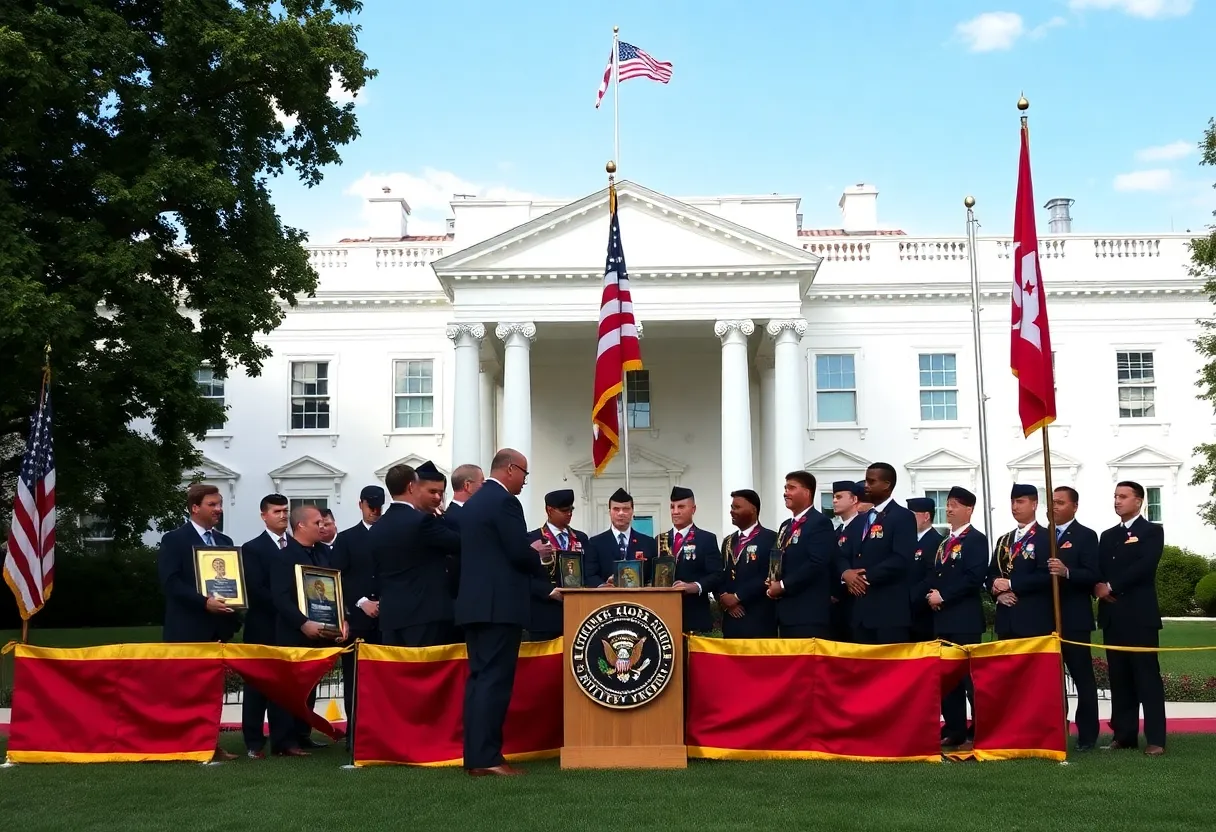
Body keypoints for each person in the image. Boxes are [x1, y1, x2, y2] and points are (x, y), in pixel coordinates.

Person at [455, 448, 553, 776]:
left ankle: (477, 757)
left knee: (479, 680)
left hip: (474, 605)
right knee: (494, 683)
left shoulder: (472, 505)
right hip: (500, 607)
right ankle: (488, 759)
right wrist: (536, 552)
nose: (525, 481)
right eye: (524, 473)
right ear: (510, 469)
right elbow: (516, 553)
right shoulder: (505, 502)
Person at [157, 483, 242, 762]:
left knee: (211, 692)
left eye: (219, 504)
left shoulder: (225, 543)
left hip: (217, 630)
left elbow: (232, 585)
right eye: (212, 505)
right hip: (186, 630)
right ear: (195, 508)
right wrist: (203, 602)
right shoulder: (174, 540)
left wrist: (234, 608)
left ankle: (210, 744)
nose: (219, 509)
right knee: (184, 692)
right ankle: (182, 745)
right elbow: (170, 583)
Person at [267, 504, 347, 757]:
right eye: (317, 523)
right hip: (294, 633)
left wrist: (341, 620)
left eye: (323, 523)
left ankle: (303, 734)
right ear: (301, 525)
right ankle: (284, 742)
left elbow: (334, 590)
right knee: (289, 689)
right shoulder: (283, 556)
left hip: (320, 631)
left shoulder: (323, 554)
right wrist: (303, 622)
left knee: (310, 686)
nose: (322, 527)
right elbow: (279, 598)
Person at [1096, 481, 1166, 756]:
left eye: (1123, 497)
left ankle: (1156, 739)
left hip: (1140, 616)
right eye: (1115, 496)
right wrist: (1097, 587)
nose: (1117, 501)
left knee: (1146, 677)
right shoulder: (1108, 534)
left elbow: (1144, 567)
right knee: (1119, 677)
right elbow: (1099, 568)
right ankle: (1124, 735)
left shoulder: (1151, 532)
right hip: (1113, 616)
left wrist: (1111, 586)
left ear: (1139, 501)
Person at [917, 486, 987, 749]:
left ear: (969, 509)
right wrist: (931, 593)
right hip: (942, 619)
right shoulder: (944, 542)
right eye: (947, 504)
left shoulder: (976, 539)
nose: (948, 509)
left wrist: (943, 595)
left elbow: (973, 577)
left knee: (970, 680)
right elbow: (935, 574)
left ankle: (978, 730)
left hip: (964, 619)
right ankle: (954, 728)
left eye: (955, 505)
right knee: (947, 679)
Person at [371, 464, 462, 647]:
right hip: (424, 614)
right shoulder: (421, 521)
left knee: (398, 672)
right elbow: (457, 543)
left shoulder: (377, 527)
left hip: (391, 616)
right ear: (412, 486)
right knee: (425, 672)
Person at [1046, 485, 1102, 751]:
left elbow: (1093, 575)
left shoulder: (1086, 536)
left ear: (1074, 506)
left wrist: (1067, 572)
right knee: (1049, 680)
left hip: (1075, 618)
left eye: (1059, 502)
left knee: (1082, 677)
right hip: (1046, 619)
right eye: (1051, 502)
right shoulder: (1042, 536)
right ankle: (1055, 728)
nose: (1053, 506)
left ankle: (1088, 735)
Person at [329, 484, 384, 748]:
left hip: (387, 617)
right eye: (370, 506)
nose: (375, 511)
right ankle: (355, 734)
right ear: (360, 504)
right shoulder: (347, 538)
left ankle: (382, 731)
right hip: (360, 619)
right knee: (354, 679)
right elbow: (338, 578)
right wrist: (361, 602)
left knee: (385, 678)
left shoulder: (392, 534)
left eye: (379, 506)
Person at [839, 463, 917, 644]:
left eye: (871, 481)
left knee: (890, 670)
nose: (865, 485)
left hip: (889, 614)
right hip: (860, 613)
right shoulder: (860, 520)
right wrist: (846, 573)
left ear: (886, 485)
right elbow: (841, 554)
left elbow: (901, 558)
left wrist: (863, 577)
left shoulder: (902, 517)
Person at [239, 493, 291, 759]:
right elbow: (256, 589)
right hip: (262, 626)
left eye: (285, 510)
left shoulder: (294, 545)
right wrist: (289, 607)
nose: (283, 515)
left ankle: (283, 742)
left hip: (288, 629)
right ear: (264, 516)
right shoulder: (252, 548)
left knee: (284, 688)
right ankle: (254, 743)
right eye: (277, 511)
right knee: (257, 688)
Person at [766, 471, 836, 638]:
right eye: (785, 488)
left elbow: (817, 563)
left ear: (807, 492)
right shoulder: (785, 526)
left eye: (791, 488)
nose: (785, 492)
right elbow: (779, 557)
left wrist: (782, 585)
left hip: (808, 613)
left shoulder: (820, 522)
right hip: (785, 612)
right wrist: (772, 580)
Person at [986, 484, 1053, 639]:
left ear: (1034, 504)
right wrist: (998, 592)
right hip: (1005, 619)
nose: (1015, 506)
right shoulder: (1004, 539)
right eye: (1012, 502)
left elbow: (1046, 575)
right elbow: (992, 572)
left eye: (1020, 502)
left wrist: (1011, 584)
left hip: (1033, 621)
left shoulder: (1045, 537)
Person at [525, 489, 590, 641]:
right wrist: (548, 591)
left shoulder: (581, 538)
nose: (569, 514)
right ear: (550, 510)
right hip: (545, 612)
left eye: (571, 509)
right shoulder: (532, 538)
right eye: (564, 510)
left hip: (577, 611)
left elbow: (589, 570)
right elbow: (525, 576)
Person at [661, 486, 722, 633]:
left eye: (681, 507)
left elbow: (717, 575)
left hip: (695, 614)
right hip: (664, 617)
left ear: (693, 509)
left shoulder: (706, 539)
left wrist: (695, 586)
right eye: (672, 507)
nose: (675, 511)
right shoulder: (660, 540)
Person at [719, 489, 778, 638]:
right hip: (731, 620)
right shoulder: (728, 541)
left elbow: (770, 574)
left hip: (759, 618)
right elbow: (720, 574)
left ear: (753, 510)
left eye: (737, 507)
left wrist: (738, 597)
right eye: (732, 507)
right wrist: (726, 598)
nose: (732, 512)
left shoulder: (771, 538)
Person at [585, 488, 658, 586]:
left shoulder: (648, 543)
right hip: (607, 599)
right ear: (609, 511)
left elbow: (653, 576)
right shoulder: (595, 543)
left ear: (632, 511)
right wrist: (603, 585)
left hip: (639, 599)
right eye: (616, 509)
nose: (621, 513)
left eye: (626, 509)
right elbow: (590, 575)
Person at [829, 480, 865, 642]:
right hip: (837, 604)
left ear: (854, 499)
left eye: (839, 497)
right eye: (833, 497)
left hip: (855, 599)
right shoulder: (837, 531)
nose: (834, 501)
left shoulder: (862, 526)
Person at [907, 497, 943, 642]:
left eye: (912, 515)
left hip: (923, 610)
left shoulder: (936, 541)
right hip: (907, 612)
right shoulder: (908, 540)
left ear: (926, 516)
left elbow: (932, 576)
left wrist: (911, 597)